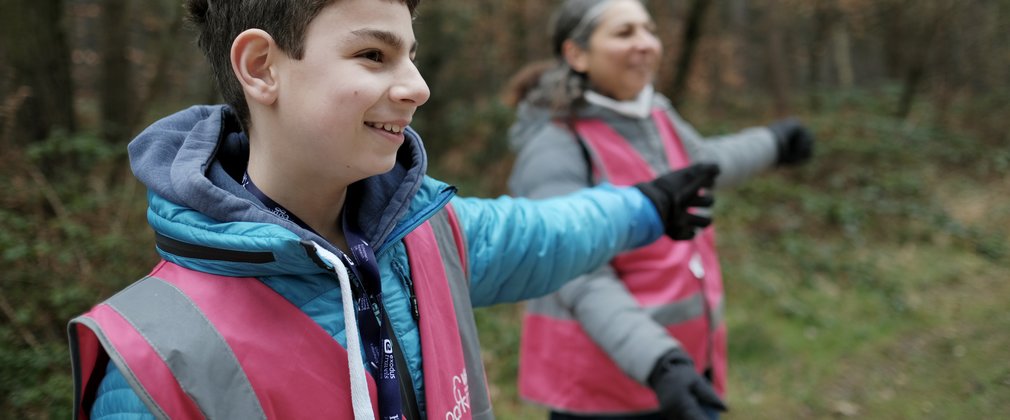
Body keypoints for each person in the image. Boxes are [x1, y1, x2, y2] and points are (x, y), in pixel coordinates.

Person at [66, 0, 723, 419]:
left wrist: (647, 205)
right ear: (262, 66)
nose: (417, 87)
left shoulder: (430, 238)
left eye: (409, 55)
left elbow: (549, 232)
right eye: (374, 54)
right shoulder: (151, 362)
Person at [504, 1, 815, 420]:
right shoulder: (555, 146)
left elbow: (703, 163)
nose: (646, 44)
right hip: (605, 392)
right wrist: (660, 361)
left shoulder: (655, 113)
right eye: (624, 33)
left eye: (649, 30)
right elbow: (576, 274)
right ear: (576, 54)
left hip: (682, 373)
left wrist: (774, 142)